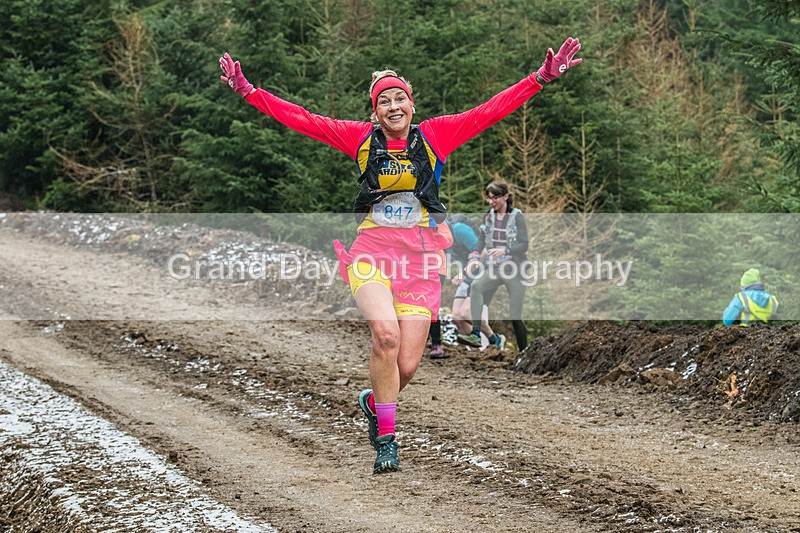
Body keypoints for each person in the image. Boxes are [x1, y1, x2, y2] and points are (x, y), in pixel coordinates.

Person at [219, 37, 581, 474]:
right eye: (384, 101)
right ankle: (387, 440)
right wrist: (248, 91)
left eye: (400, 98)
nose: (393, 106)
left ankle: (375, 403)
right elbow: (302, 119)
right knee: (385, 337)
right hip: (372, 250)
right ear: (375, 112)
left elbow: (490, 110)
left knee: (407, 365)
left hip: (422, 259)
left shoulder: (436, 135)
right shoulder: (359, 139)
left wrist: (540, 79)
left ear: (412, 104)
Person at [457, 181, 529, 351]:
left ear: (505, 197)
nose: (491, 202)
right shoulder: (488, 216)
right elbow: (481, 241)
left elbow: (524, 245)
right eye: (489, 198)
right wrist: (474, 256)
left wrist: (506, 250)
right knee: (475, 286)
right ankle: (475, 332)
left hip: (515, 270)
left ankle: (524, 352)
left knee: (515, 316)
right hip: (495, 269)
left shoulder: (517, 216)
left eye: (495, 197)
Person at [447, 213, 506, 350]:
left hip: (486, 272)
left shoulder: (459, 229)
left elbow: (482, 253)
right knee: (457, 317)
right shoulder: (440, 241)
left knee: (467, 312)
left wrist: (464, 272)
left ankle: (495, 339)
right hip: (469, 275)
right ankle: (475, 349)